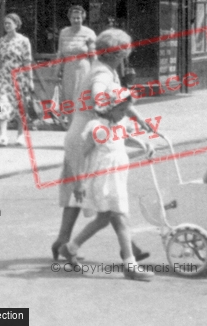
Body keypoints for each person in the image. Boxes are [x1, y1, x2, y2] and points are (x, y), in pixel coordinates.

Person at [52, 28, 153, 264]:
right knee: (94, 192)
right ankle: (123, 250)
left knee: (88, 193)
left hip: (86, 131)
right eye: (125, 52)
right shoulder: (103, 74)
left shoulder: (104, 69)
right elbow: (101, 91)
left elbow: (120, 99)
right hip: (89, 134)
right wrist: (102, 108)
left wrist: (138, 119)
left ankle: (65, 241)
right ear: (118, 54)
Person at [57, 92, 156, 280]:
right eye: (121, 110)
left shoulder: (117, 124)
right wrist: (79, 183)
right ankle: (130, 265)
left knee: (103, 219)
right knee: (120, 218)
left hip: (116, 179)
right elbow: (79, 156)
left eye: (126, 110)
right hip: (103, 181)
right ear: (108, 109)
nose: (124, 114)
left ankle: (70, 248)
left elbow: (123, 138)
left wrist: (143, 144)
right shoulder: (97, 128)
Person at [0, 13, 34, 147]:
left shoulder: (23, 41)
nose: (7, 26)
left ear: (16, 24)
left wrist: (30, 79)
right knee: (2, 104)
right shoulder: (1, 41)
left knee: (20, 106)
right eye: (5, 23)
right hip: (5, 78)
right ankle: (3, 136)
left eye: (9, 23)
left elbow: (27, 61)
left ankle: (21, 135)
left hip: (19, 77)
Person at [57, 5, 97, 110]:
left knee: (82, 96)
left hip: (83, 68)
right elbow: (60, 52)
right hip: (68, 69)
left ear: (82, 18)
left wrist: (95, 72)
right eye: (73, 18)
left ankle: (83, 123)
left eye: (78, 18)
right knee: (69, 96)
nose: (76, 20)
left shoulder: (89, 33)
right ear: (69, 18)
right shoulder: (64, 32)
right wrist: (57, 69)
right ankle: (71, 124)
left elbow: (93, 55)